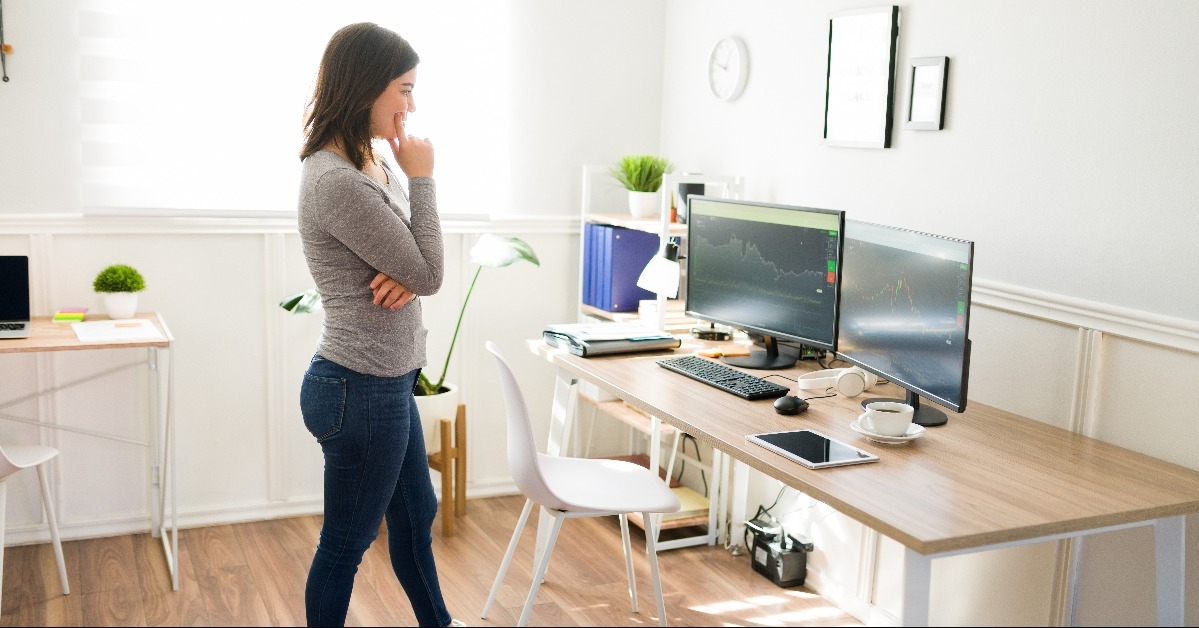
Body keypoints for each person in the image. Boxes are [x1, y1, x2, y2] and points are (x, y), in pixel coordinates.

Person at [296, 22, 462, 628]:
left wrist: (409, 270)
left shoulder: (367, 160)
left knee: (417, 517)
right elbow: (432, 269)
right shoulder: (337, 180)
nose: (412, 106)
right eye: (404, 89)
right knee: (345, 544)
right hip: (357, 387)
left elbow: (414, 264)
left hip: (384, 382)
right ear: (367, 86)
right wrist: (423, 176)